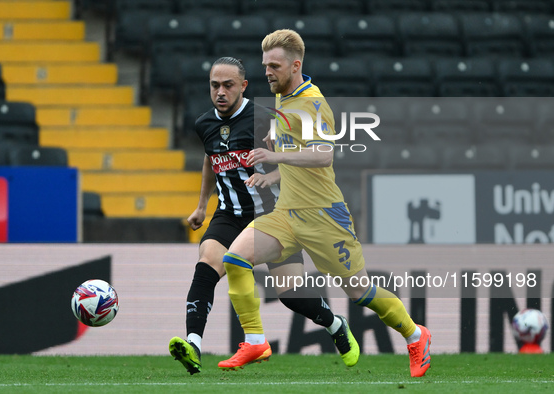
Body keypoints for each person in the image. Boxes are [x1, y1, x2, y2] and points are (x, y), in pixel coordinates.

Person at [217, 30, 432, 378]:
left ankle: (415, 334)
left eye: (275, 65)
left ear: (295, 65)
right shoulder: (285, 98)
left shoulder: (313, 103)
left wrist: (274, 154)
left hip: (324, 218)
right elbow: (298, 155)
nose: (268, 72)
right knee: (236, 258)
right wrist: (275, 172)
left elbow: (323, 154)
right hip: (287, 214)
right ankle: (255, 340)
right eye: (265, 65)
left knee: (360, 291)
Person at [169, 57, 360, 375]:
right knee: (206, 268)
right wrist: (202, 205)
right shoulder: (205, 123)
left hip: (272, 216)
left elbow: (300, 161)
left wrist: (276, 176)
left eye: (228, 85)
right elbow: (210, 158)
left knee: (292, 295)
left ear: (243, 86)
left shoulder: (266, 119)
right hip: (229, 215)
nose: (220, 92)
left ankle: (335, 323)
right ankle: (193, 345)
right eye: (215, 85)